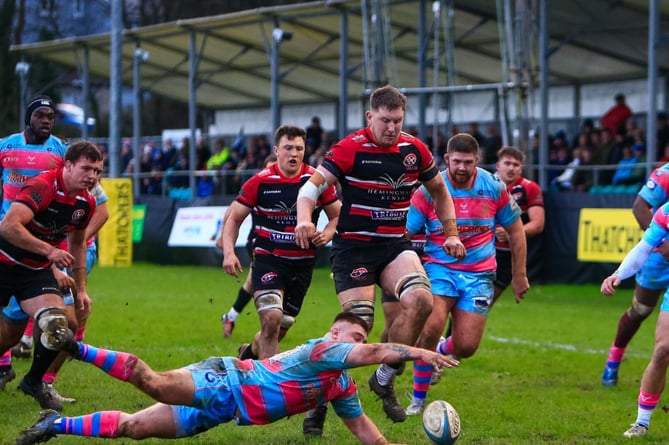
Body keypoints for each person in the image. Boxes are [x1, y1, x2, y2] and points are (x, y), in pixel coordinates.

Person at [295, 85, 465, 430]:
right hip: (353, 248)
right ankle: (320, 396)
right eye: (386, 120)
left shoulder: (413, 149)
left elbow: (440, 193)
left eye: (398, 121)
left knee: (421, 301)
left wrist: (451, 232)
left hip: (393, 246)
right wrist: (303, 219)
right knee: (359, 326)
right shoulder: (348, 149)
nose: (392, 128)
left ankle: (384, 376)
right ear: (370, 116)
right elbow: (309, 189)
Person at [15, 312, 458, 445]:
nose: (357, 343)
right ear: (335, 333)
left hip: (226, 410)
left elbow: (367, 434)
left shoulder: (339, 384)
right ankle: (74, 348)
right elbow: (378, 351)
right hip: (225, 382)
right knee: (150, 381)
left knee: (135, 429)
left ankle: (54, 426)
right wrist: (422, 351)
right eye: (353, 335)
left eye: (360, 337)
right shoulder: (324, 350)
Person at [404, 133, 527, 415]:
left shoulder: (493, 186)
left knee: (467, 346)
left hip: (480, 274)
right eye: (456, 161)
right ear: (446, 159)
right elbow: (406, 232)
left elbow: (517, 230)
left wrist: (519, 275)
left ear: (477, 161)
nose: (462, 167)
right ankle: (418, 400)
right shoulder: (429, 189)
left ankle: (440, 350)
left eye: (468, 162)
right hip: (439, 268)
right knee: (432, 326)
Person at [0, 141, 102, 411]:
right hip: (4, 262)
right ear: (67, 165)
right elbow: (8, 226)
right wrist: (50, 252)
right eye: (87, 168)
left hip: (35, 272)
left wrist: (81, 290)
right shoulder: (44, 186)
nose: (92, 176)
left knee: (61, 324)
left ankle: (34, 382)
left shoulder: (86, 202)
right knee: (9, 335)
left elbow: (78, 245)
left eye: (98, 171)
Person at [221, 125, 340, 359]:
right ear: (277, 150)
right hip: (269, 261)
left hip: (303, 267)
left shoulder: (317, 181)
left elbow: (337, 215)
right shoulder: (260, 181)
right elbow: (233, 218)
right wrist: (228, 252)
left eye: (299, 148)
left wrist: (328, 233)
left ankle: (248, 356)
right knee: (271, 319)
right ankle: (271, 390)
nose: (293, 154)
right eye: (288, 148)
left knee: (277, 329)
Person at [0, 95, 70, 408]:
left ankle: (37, 380)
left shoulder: (61, 150)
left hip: (44, 246)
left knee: (62, 318)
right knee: (10, 323)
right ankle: (6, 364)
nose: (46, 121)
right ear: (29, 118)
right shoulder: (6, 146)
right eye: (40, 115)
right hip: (8, 238)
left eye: (51, 117)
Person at [600, 201, 669, 437]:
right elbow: (643, 249)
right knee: (662, 351)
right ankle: (642, 422)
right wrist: (618, 274)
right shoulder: (666, 212)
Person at [601, 162, 669, 386]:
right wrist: (663, 241)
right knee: (641, 309)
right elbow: (640, 207)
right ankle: (613, 360)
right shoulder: (664, 175)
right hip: (659, 255)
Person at [218, 154, 277, 338]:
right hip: (258, 244)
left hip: (284, 247)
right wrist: (223, 236)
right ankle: (272, 321)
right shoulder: (259, 186)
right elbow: (234, 208)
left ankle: (230, 316)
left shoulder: (292, 187)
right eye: (269, 168)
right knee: (263, 281)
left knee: (252, 283)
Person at [493, 146, 544, 302]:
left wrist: (511, 233)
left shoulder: (529, 188)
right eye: (507, 163)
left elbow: (538, 224)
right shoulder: (486, 184)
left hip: (508, 255)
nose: (511, 168)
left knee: (481, 304)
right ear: (498, 165)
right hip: (482, 250)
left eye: (515, 165)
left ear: (521, 168)